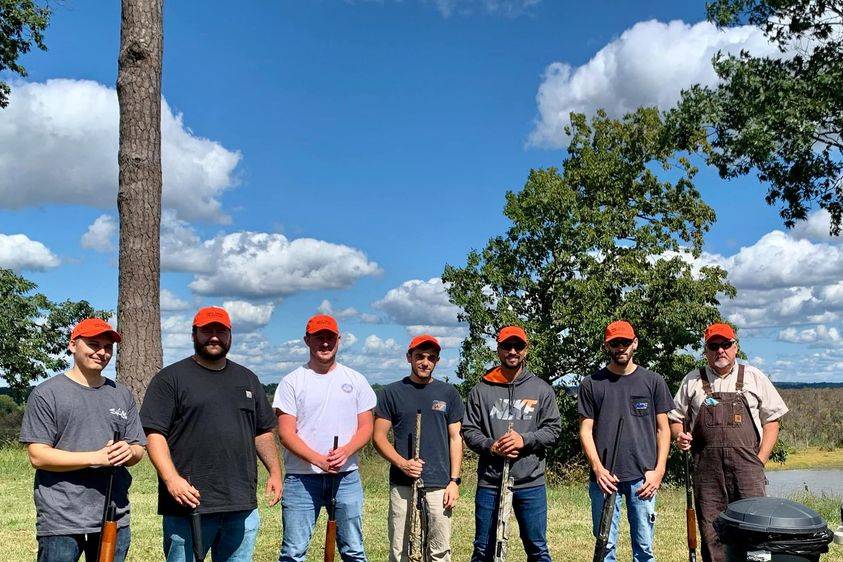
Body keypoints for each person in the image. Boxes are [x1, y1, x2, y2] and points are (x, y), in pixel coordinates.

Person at [140, 306, 281, 562]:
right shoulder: (170, 379)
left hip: (241, 503)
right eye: (207, 331)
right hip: (187, 501)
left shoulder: (248, 379)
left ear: (230, 335)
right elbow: (154, 435)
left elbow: (263, 431)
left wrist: (275, 472)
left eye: (220, 331)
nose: (214, 337)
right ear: (194, 335)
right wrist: (172, 479)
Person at [20, 318, 146, 562]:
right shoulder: (47, 394)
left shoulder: (121, 395)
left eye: (108, 347)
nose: (102, 352)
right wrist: (96, 458)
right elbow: (38, 455)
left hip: (113, 515)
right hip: (62, 519)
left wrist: (128, 452)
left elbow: (138, 448)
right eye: (93, 344)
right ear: (72, 345)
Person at [670, 322, 789, 562]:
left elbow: (773, 420)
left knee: (753, 528)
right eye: (714, 346)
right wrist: (678, 436)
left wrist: (760, 459)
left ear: (736, 347)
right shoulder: (692, 381)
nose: (720, 350)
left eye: (726, 344)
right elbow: (675, 418)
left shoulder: (754, 377)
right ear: (706, 350)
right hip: (707, 471)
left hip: (748, 469)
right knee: (712, 529)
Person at [273, 314, 377, 562]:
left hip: (346, 476)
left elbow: (366, 427)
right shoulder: (292, 382)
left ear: (339, 340)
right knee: (293, 552)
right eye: (319, 337)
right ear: (307, 340)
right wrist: (318, 459)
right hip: (301, 478)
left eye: (330, 337)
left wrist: (347, 450)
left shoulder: (356, 380)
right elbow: (286, 433)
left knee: (353, 549)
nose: (325, 343)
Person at [462, 325, 562, 562]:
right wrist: (490, 446)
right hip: (491, 481)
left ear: (526, 350)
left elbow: (553, 430)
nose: (513, 351)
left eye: (518, 346)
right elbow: (469, 430)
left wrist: (524, 440)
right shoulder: (482, 390)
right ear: (498, 349)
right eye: (507, 346)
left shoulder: (541, 389)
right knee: (483, 549)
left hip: (530, 481)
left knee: (537, 549)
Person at [577, 320, 674, 562]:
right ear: (607, 346)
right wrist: (598, 470)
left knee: (644, 548)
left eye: (625, 342)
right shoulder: (592, 384)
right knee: (605, 546)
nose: (621, 347)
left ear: (635, 344)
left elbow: (664, 430)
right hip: (605, 480)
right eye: (615, 343)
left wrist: (658, 471)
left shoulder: (653, 381)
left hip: (643, 479)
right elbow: (585, 431)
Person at [373, 334, 465, 562]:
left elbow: (456, 438)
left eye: (431, 357)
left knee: (439, 550)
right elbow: (378, 437)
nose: (425, 362)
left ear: (437, 361)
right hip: (402, 483)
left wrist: (454, 481)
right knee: (400, 550)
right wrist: (403, 464)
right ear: (409, 358)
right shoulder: (392, 392)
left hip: (439, 484)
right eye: (420, 356)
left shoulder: (449, 393)